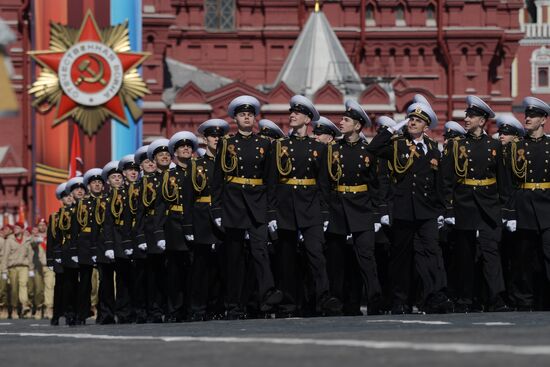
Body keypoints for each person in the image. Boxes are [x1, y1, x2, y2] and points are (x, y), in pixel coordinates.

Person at [367, 102, 452, 314]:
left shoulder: (433, 149)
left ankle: (434, 297)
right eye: (411, 119)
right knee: (401, 258)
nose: (413, 122)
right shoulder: (397, 145)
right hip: (403, 210)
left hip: (427, 210)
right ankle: (400, 301)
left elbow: (438, 183)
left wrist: (443, 210)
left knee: (431, 254)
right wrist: (392, 129)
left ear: (426, 127)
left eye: (418, 120)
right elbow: (373, 148)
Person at [211, 95, 282, 319]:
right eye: (242, 115)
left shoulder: (264, 144)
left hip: (258, 203)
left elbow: (271, 179)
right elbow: (218, 179)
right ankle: (234, 305)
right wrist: (217, 210)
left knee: (260, 252)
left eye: (250, 115)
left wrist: (271, 212)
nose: (247, 118)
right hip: (233, 205)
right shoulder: (227, 144)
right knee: (234, 258)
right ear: (235, 119)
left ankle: (268, 297)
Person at [270, 95, 341, 317]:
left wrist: (324, 212)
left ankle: (324, 299)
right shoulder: (279, 146)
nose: (292, 115)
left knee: (316, 256)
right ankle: (289, 304)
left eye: (297, 113)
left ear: (308, 119)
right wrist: (271, 213)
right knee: (287, 259)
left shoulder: (318, 148)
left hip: (310, 208)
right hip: (285, 208)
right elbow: (271, 181)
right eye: (291, 112)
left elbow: (324, 183)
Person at [442, 95, 509, 312]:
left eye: (471, 116)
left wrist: (506, 209)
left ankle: (496, 298)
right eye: (466, 115)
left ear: (482, 121)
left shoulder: (495, 146)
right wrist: (449, 208)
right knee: (465, 254)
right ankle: (465, 299)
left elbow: (503, 180)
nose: (467, 119)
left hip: (489, 204)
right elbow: (446, 180)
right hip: (464, 204)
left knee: (491, 253)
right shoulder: (456, 145)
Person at [324, 100, 383, 315]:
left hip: (362, 208)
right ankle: (337, 304)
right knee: (337, 261)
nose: (341, 122)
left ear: (358, 126)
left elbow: (376, 185)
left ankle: (375, 301)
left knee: (366, 258)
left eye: (346, 120)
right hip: (338, 208)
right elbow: (325, 183)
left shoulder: (368, 150)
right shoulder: (332, 149)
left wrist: (377, 214)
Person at [504, 97, 550, 311]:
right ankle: (523, 299)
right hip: (524, 205)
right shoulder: (516, 147)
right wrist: (510, 212)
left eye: (533, 116)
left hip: (547, 205)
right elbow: (509, 182)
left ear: (543, 120)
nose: (528, 118)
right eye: (527, 115)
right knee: (523, 258)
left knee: (547, 255)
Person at [190, 119, 230, 321]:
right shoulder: (196, 164)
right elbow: (188, 197)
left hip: (225, 216)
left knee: (222, 266)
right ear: (205, 140)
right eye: (213, 136)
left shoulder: (229, 163)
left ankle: (218, 307)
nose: (217, 139)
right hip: (202, 217)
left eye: (220, 136)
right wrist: (188, 225)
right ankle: (199, 308)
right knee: (201, 266)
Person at [156, 131, 197, 322]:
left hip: (196, 224)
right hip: (174, 224)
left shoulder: (199, 171)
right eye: (182, 147)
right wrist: (159, 233)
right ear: (175, 152)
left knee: (194, 269)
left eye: (189, 147)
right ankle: (174, 309)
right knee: (174, 271)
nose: (186, 149)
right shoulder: (168, 176)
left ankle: (192, 308)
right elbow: (160, 205)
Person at [103, 160, 136, 324]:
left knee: (127, 278)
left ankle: (127, 311)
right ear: (107, 181)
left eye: (118, 176)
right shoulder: (105, 199)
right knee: (114, 280)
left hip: (128, 238)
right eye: (113, 177)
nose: (116, 179)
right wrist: (108, 245)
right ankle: (115, 312)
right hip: (115, 240)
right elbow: (106, 223)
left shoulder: (128, 194)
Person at [1, 222, 33, 319]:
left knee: (23, 285)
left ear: (22, 229)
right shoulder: (9, 240)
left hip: (24, 266)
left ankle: (24, 305)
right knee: (14, 289)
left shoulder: (27, 240)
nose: (15, 229)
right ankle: (14, 309)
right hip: (12, 267)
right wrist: (4, 270)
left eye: (18, 228)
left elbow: (30, 255)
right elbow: (5, 256)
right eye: (15, 228)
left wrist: (31, 268)